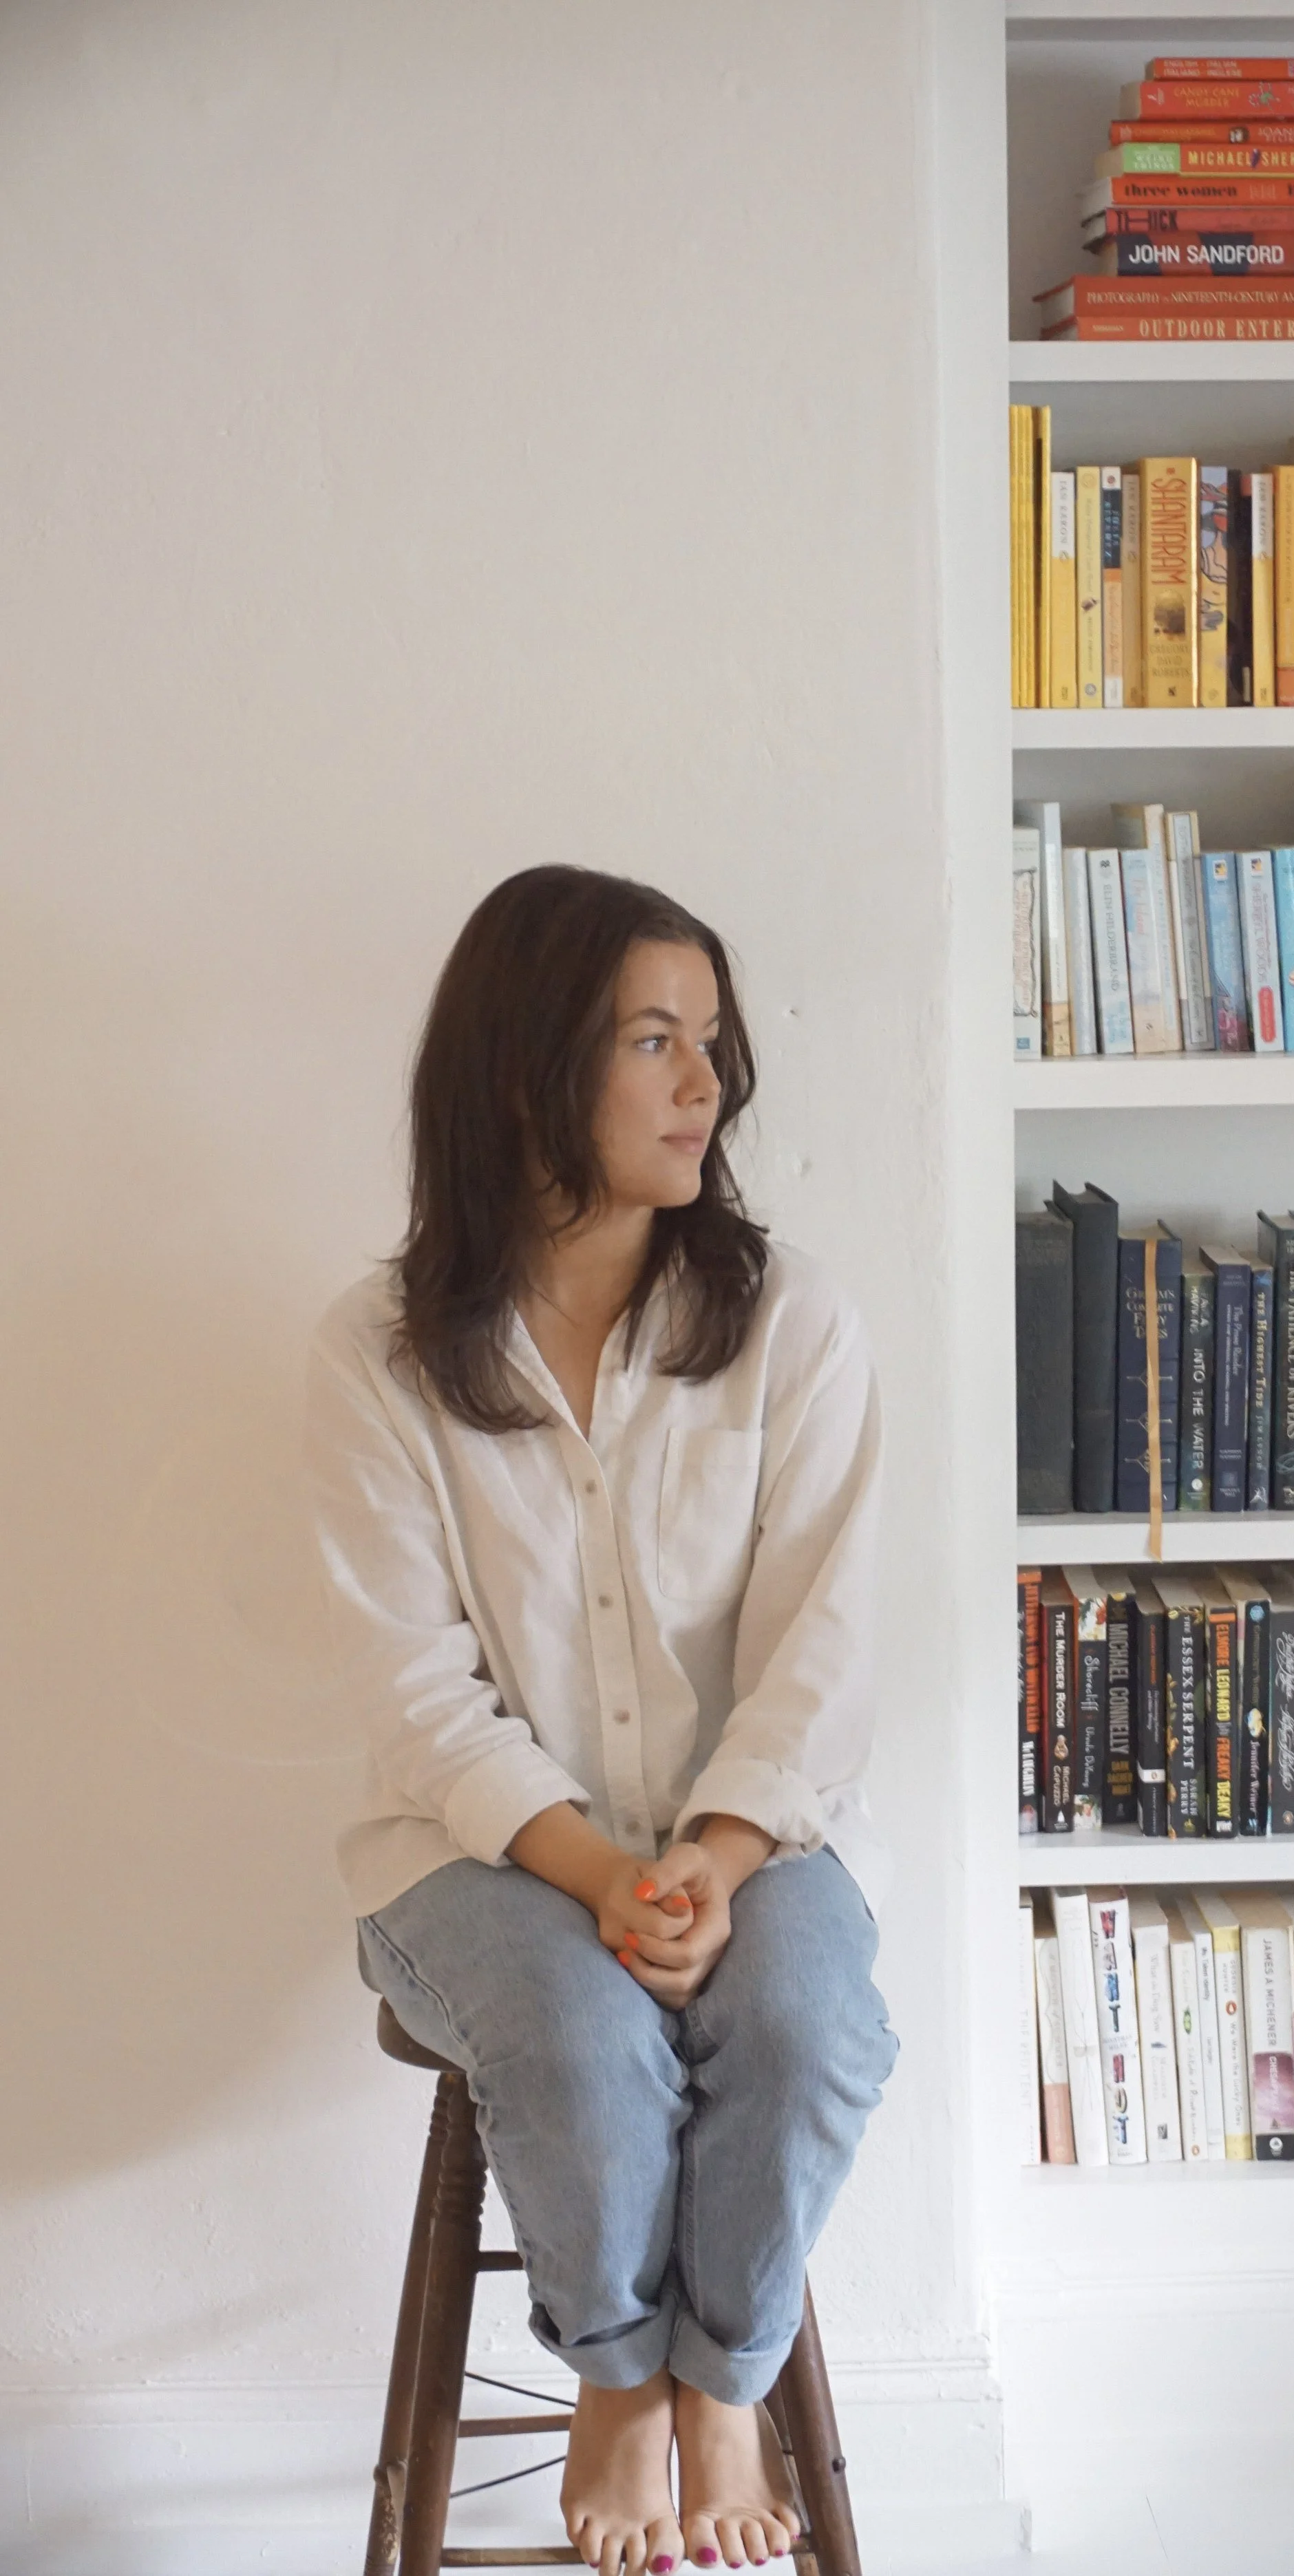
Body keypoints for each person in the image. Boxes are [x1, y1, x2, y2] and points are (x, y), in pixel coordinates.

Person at [306, 866, 895, 2576]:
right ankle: (619, 2372)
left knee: (799, 2025)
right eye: (655, 1039)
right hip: (476, 1856)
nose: (706, 1082)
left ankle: (723, 2368)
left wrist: (708, 1857)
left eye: (710, 1039)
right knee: (578, 2040)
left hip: (756, 1832)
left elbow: (823, 1651)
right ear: (521, 1072)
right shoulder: (378, 1357)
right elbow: (415, 1691)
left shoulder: (793, 1326)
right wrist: (594, 1871)